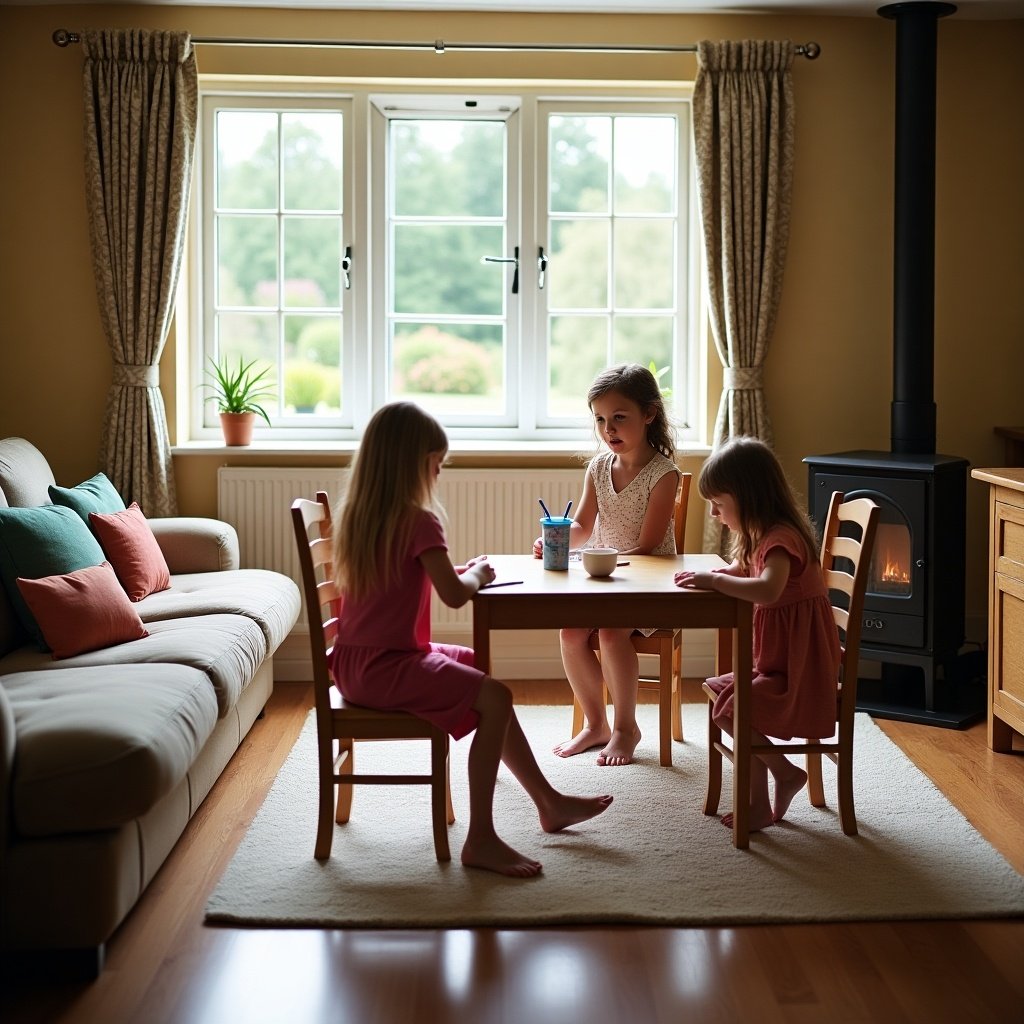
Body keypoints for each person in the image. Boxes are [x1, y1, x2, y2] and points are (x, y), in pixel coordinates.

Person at [330, 401, 613, 878]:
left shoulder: (360, 516)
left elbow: (406, 578)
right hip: (388, 667)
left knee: (478, 672)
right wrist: (476, 575)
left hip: (356, 665)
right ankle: (482, 837)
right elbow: (454, 597)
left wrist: (460, 571)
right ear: (414, 465)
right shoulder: (419, 519)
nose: (437, 476)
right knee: (495, 696)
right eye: (436, 466)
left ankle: (548, 802)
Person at [674, 436, 841, 832]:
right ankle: (761, 801)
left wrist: (715, 582)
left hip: (801, 674)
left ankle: (782, 776)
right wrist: (720, 575)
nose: (714, 513)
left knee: (732, 709)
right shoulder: (761, 535)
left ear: (748, 496)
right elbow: (746, 571)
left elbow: (767, 589)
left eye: (719, 502)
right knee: (724, 694)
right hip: (779, 664)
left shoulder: (781, 540)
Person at [535, 363, 680, 767]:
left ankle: (625, 728)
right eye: (600, 419)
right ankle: (596, 723)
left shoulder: (663, 474)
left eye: (619, 417)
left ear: (649, 414)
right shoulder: (598, 468)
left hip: (649, 585)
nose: (608, 429)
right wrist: (558, 536)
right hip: (604, 582)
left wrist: (601, 563)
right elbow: (582, 524)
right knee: (570, 633)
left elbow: (650, 546)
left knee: (614, 634)